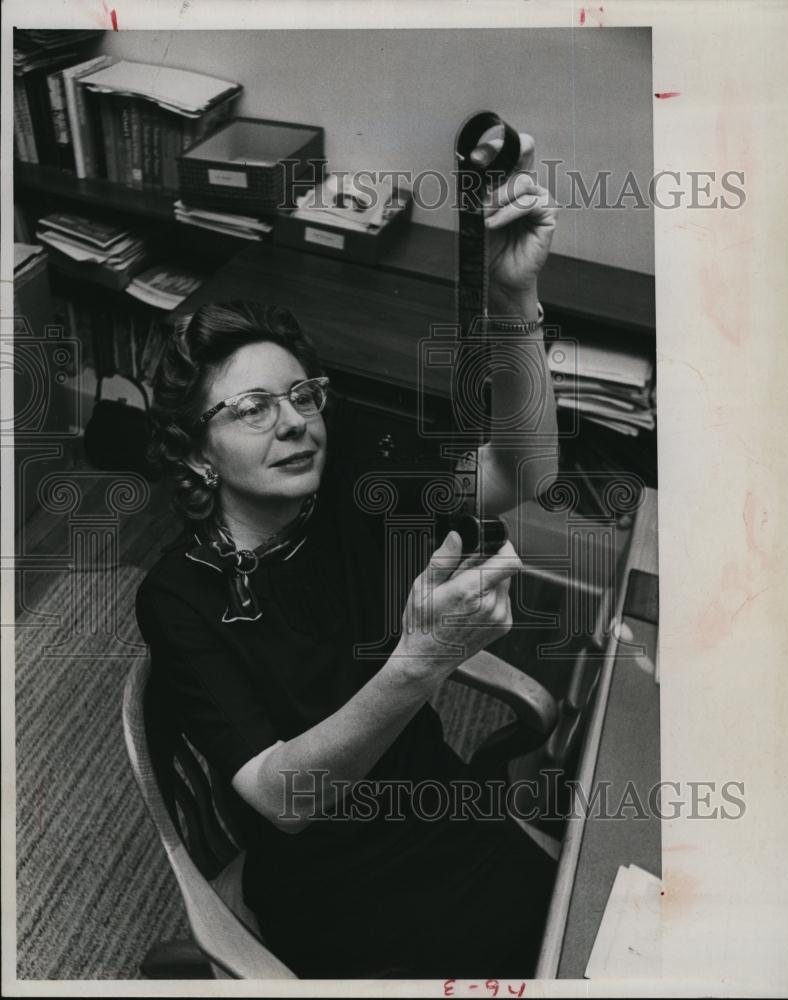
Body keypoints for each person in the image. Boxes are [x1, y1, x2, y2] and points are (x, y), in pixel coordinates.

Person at [135, 132, 560, 978]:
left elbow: (522, 471)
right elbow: (285, 802)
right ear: (193, 454)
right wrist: (421, 661)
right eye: (253, 408)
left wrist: (514, 303)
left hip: (448, 819)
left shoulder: (354, 486)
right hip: (340, 888)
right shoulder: (179, 596)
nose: (295, 423)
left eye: (302, 396)